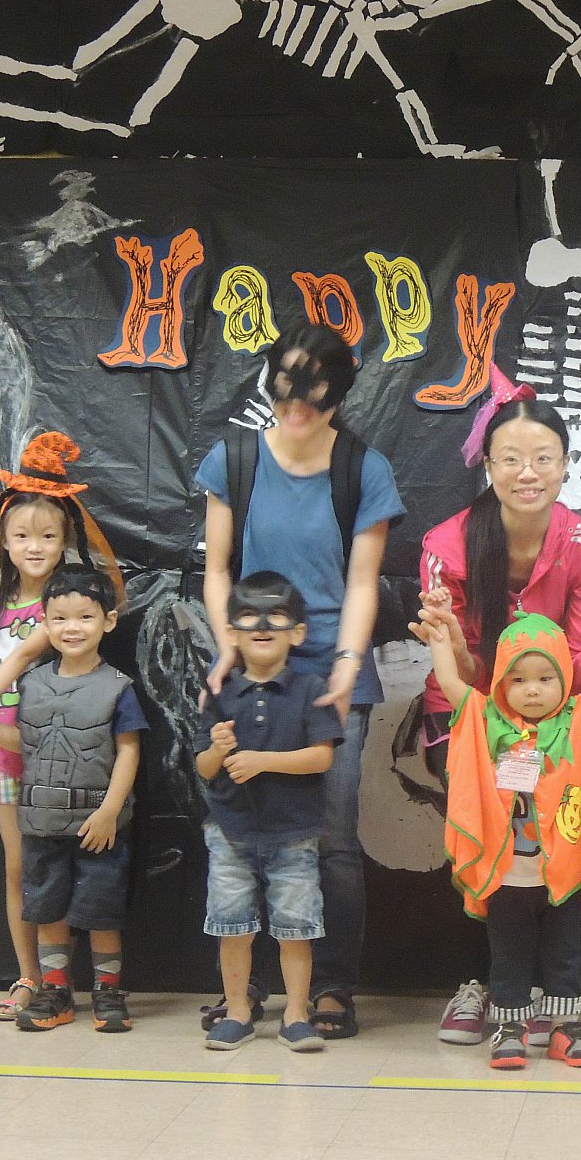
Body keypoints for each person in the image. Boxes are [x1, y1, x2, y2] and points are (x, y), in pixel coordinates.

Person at [196, 319, 405, 1039]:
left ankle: (331, 987)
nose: (296, 408)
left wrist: (345, 667)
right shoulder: (235, 459)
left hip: (331, 669)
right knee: (242, 828)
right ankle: (245, 989)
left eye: (313, 395)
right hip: (251, 662)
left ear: (338, 395)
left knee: (331, 838)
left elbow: (363, 581)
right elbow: (216, 568)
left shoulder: (363, 469)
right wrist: (228, 645)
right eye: (284, 390)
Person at [419, 366, 581, 1046]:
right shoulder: (445, 546)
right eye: (510, 459)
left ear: (566, 465)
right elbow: (459, 673)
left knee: (551, 846)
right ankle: (481, 986)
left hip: (559, 719)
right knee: (482, 845)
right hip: (472, 717)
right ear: (487, 465)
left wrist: (544, 717)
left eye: (543, 458)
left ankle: (544, 996)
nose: (526, 473)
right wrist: (456, 651)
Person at [412, 582, 581, 1070]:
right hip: (507, 873)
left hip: (564, 871)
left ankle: (565, 1028)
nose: (532, 689)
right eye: (518, 679)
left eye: (545, 677)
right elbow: (450, 683)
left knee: (565, 953)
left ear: (565, 678)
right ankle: (509, 1028)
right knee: (508, 954)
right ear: (499, 683)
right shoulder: (483, 719)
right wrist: (441, 636)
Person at [0, 431, 125, 1022]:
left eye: (48, 535)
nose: (35, 546)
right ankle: (31, 977)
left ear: (66, 538)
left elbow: (25, 656)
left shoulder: (69, 603)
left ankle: (75, 983)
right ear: (2, 539)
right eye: (21, 535)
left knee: (69, 870)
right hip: (4, 754)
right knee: (20, 869)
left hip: (63, 757)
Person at [0, 564, 146, 1032]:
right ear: (45, 623)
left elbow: (129, 751)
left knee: (101, 912)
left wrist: (110, 811)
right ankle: (56, 991)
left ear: (108, 621)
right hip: (42, 822)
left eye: (85, 617)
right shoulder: (31, 683)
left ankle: (108, 991)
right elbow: (26, 744)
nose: (73, 628)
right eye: (61, 618)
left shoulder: (118, 687)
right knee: (48, 908)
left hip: (98, 825)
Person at [195, 572, 345, 1052]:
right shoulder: (219, 693)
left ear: (297, 632)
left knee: (296, 928)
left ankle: (297, 1014)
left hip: (294, 834)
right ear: (231, 632)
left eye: (275, 616)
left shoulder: (311, 688)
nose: (262, 626)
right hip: (230, 833)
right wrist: (217, 750)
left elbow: (321, 757)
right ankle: (237, 1011)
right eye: (248, 616)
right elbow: (203, 768)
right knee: (232, 927)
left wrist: (263, 762)